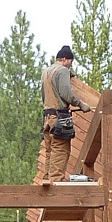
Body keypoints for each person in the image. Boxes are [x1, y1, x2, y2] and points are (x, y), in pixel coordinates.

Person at [39, 45, 91, 184]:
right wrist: (81, 104)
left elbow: (45, 95)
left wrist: (70, 74)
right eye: (70, 62)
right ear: (64, 59)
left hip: (47, 116)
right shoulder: (62, 71)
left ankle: (48, 178)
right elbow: (66, 94)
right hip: (59, 118)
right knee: (61, 149)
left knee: (50, 150)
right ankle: (56, 181)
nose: (70, 66)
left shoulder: (47, 71)